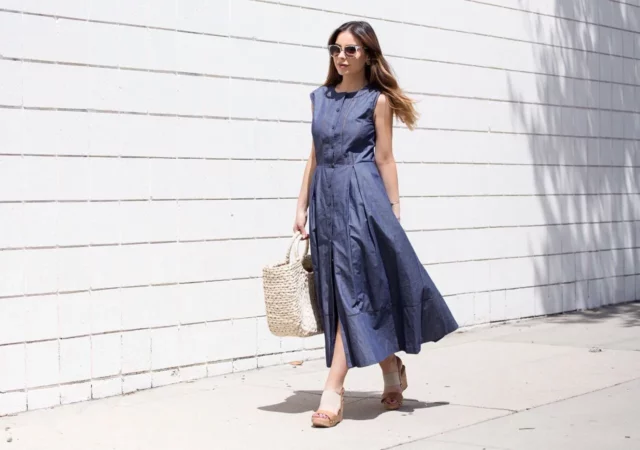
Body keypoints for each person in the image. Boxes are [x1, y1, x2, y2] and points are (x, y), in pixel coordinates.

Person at [293, 21, 459, 428]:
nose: (341, 56)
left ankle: (333, 389)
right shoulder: (320, 98)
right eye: (336, 49)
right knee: (343, 291)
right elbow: (314, 156)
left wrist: (394, 208)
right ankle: (391, 368)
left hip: (363, 200)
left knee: (353, 290)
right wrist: (300, 206)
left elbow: (384, 157)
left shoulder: (377, 101)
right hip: (326, 201)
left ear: (368, 54)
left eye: (350, 50)